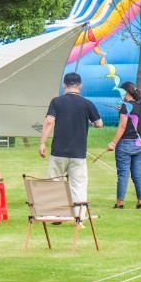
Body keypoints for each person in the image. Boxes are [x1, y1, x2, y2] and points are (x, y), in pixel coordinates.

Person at [39, 71, 105, 210]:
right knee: (78, 185)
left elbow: (49, 122)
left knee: (54, 182)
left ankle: (54, 213)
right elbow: (99, 124)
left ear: (65, 85)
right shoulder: (87, 103)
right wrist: (90, 120)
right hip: (78, 153)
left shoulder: (56, 101)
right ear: (80, 86)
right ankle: (78, 216)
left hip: (58, 151)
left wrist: (43, 143)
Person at [106, 81, 141, 208]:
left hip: (125, 143)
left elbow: (123, 126)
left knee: (123, 174)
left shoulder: (125, 107)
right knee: (138, 174)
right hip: (139, 143)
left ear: (126, 92)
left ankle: (120, 203)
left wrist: (113, 143)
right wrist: (122, 109)